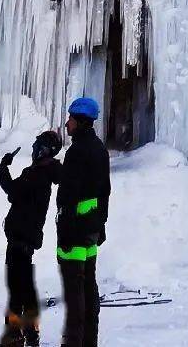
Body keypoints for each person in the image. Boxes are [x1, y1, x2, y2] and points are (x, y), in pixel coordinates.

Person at [0, 129, 63, 346]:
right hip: (26, 237)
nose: (33, 150)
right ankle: (30, 333)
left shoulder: (35, 174)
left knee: (17, 288)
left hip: (20, 237)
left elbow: (13, 191)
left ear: (44, 150)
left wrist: (2, 167)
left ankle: (14, 337)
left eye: (37, 147)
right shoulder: (42, 173)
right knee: (24, 287)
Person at [57, 97, 110, 347]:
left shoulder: (77, 152)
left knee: (75, 295)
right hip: (90, 231)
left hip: (75, 232)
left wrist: (66, 233)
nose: (67, 124)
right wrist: (100, 226)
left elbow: (69, 196)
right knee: (89, 290)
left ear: (79, 121)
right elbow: (104, 193)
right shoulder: (99, 148)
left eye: (70, 119)